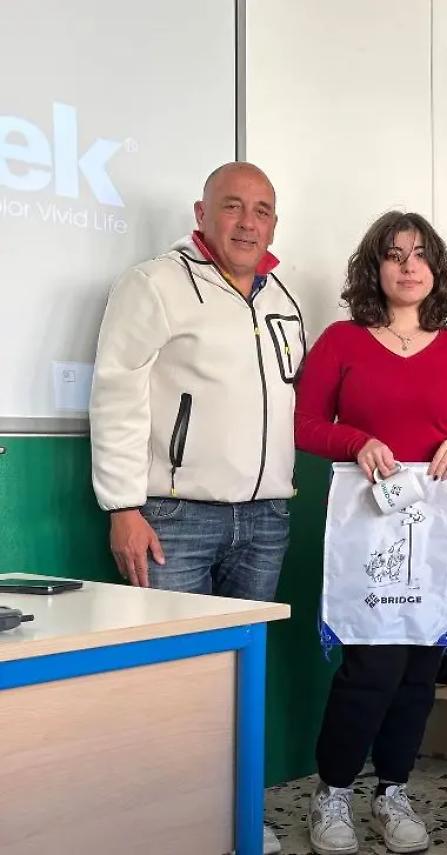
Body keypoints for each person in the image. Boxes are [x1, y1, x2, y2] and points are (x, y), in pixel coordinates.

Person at [90, 161, 302, 855]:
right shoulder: (154, 284)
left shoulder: (281, 299)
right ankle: (169, 829)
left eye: (262, 210)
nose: (248, 222)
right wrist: (123, 506)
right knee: (171, 680)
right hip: (174, 518)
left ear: (274, 223)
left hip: (265, 518)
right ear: (201, 213)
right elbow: (116, 394)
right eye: (233, 206)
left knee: (238, 680)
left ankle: (234, 817)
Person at [295, 211, 447, 855]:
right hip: (367, 525)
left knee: (420, 664)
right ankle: (333, 791)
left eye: (419, 254)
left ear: (436, 268)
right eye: (393, 254)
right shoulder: (341, 342)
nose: (408, 265)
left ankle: (393, 791)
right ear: (374, 268)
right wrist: (355, 441)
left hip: (441, 525)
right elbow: (305, 425)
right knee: (371, 664)